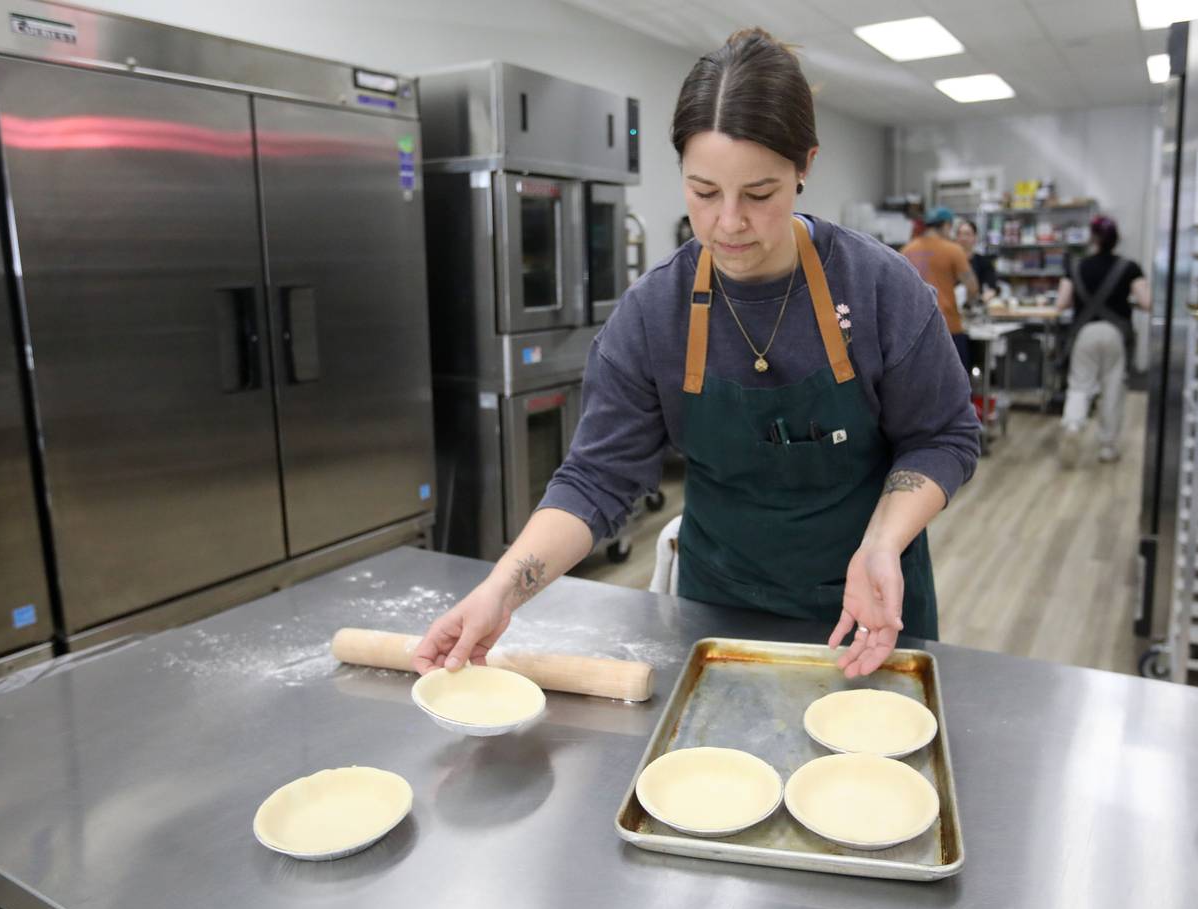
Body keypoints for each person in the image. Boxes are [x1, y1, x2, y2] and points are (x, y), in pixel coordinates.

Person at [413, 29, 979, 681]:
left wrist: (882, 543)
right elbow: (598, 478)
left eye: (759, 194)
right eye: (703, 192)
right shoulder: (657, 313)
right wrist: (500, 592)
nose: (729, 223)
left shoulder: (879, 288)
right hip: (719, 615)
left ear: (805, 166)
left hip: (871, 610)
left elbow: (942, 436)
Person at [1055, 215, 1150, 466]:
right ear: (1116, 239)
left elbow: (1061, 303)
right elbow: (1146, 302)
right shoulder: (1130, 267)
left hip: (1084, 333)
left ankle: (1073, 425)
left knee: (1079, 385)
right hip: (1115, 333)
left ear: (1092, 237)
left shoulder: (1076, 267)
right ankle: (1108, 447)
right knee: (1113, 388)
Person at [901, 207, 978, 370]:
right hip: (947, 326)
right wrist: (969, 305)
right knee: (956, 388)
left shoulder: (907, 250)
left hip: (915, 330)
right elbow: (972, 287)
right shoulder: (953, 250)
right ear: (946, 226)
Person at [955, 219, 998, 301]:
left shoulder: (984, 262)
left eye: (967, 234)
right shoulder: (949, 261)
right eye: (960, 234)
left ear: (975, 237)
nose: (963, 238)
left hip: (974, 306)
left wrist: (984, 298)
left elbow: (992, 287)